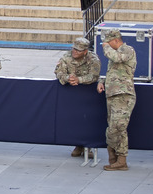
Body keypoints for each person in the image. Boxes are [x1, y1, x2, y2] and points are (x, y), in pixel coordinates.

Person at [54, 38, 101, 157]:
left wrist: (79, 80)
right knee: (74, 120)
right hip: (71, 92)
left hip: (87, 93)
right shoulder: (66, 57)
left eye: (78, 50)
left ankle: (88, 146)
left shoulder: (93, 59)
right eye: (74, 49)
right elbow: (58, 72)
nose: (74, 52)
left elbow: (94, 76)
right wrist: (68, 79)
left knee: (87, 120)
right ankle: (77, 145)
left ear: (85, 51)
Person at [98, 29, 137, 171]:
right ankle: (115, 159)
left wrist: (106, 47)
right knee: (115, 128)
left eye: (108, 42)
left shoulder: (127, 50)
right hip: (112, 95)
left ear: (115, 40)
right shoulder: (115, 54)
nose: (106, 45)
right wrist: (102, 81)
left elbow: (117, 58)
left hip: (123, 95)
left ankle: (120, 159)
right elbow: (113, 71)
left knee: (117, 128)